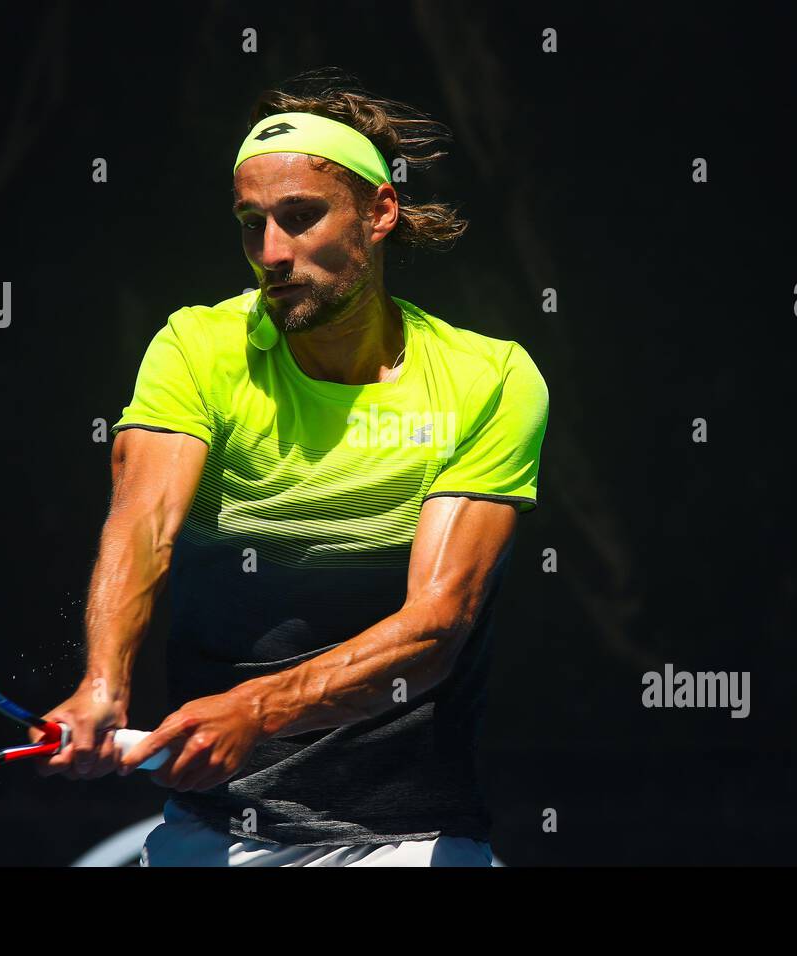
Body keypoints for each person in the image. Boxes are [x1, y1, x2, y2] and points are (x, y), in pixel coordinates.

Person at [36, 69, 548, 867]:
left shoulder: (491, 378)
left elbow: (437, 626)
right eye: (251, 225)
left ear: (380, 212)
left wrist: (256, 709)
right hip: (210, 835)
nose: (272, 252)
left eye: (301, 217)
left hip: (407, 844)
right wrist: (105, 681)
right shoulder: (196, 348)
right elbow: (143, 528)